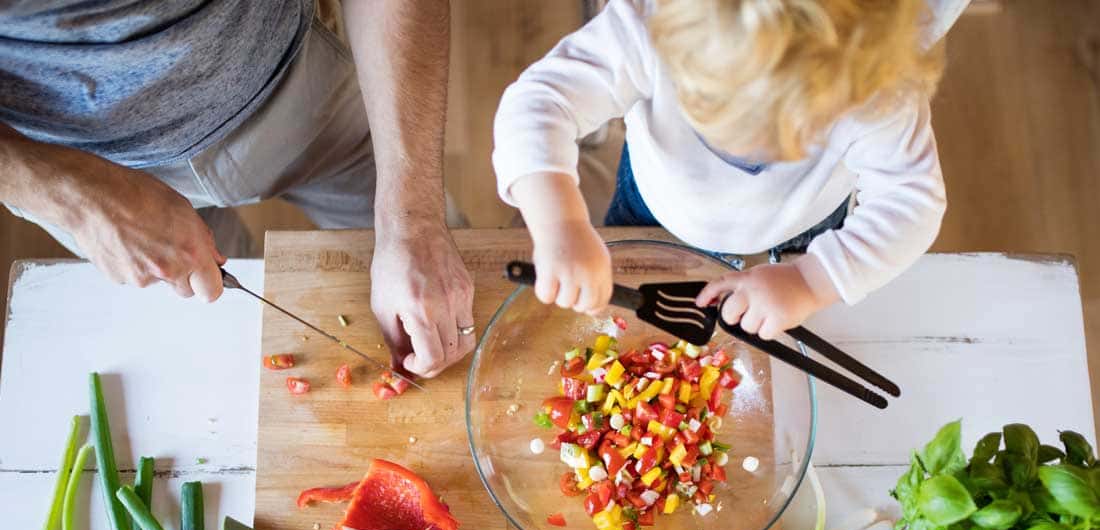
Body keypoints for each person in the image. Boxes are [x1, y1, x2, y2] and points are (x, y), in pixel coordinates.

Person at [0, 0, 474, 378]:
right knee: (223, 338)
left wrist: (414, 220)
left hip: (293, 84)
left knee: (436, 289)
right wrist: (78, 201)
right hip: (75, 167)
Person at [492, 0, 968, 341]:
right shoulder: (653, 19)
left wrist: (812, 281)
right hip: (655, 206)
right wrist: (560, 224)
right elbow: (540, 101)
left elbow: (911, 202)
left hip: (806, 225)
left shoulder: (877, 82)